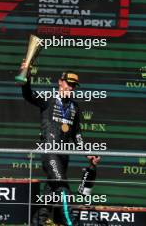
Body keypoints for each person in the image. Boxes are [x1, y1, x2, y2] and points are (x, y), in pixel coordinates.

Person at [20, 61, 100, 226]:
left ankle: (36, 223)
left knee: (50, 195)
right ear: (60, 82)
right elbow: (28, 94)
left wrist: (88, 153)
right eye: (69, 84)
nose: (71, 88)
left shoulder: (75, 107)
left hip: (64, 157)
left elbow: (77, 135)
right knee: (63, 188)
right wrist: (26, 77)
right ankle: (72, 223)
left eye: (74, 86)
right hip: (50, 152)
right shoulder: (48, 99)